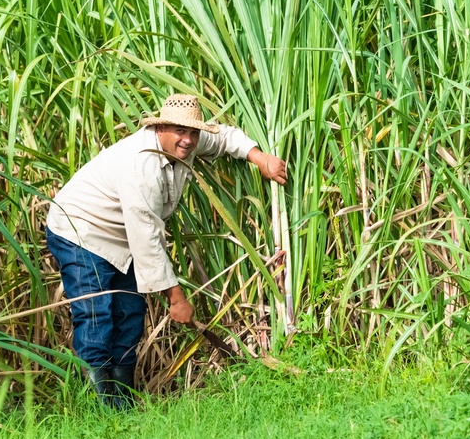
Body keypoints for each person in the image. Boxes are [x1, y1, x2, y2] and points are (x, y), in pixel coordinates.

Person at [45, 93, 289, 408]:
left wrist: (260, 158)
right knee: (97, 319)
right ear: (160, 129)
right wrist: (178, 300)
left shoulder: (186, 140)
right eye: (179, 131)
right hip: (80, 230)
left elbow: (224, 138)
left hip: (122, 237)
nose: (187, 140)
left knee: (130, 316)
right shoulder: (140, 167)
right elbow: (147, 240)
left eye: (192, 133)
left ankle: (124, 408)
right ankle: (102, 414)